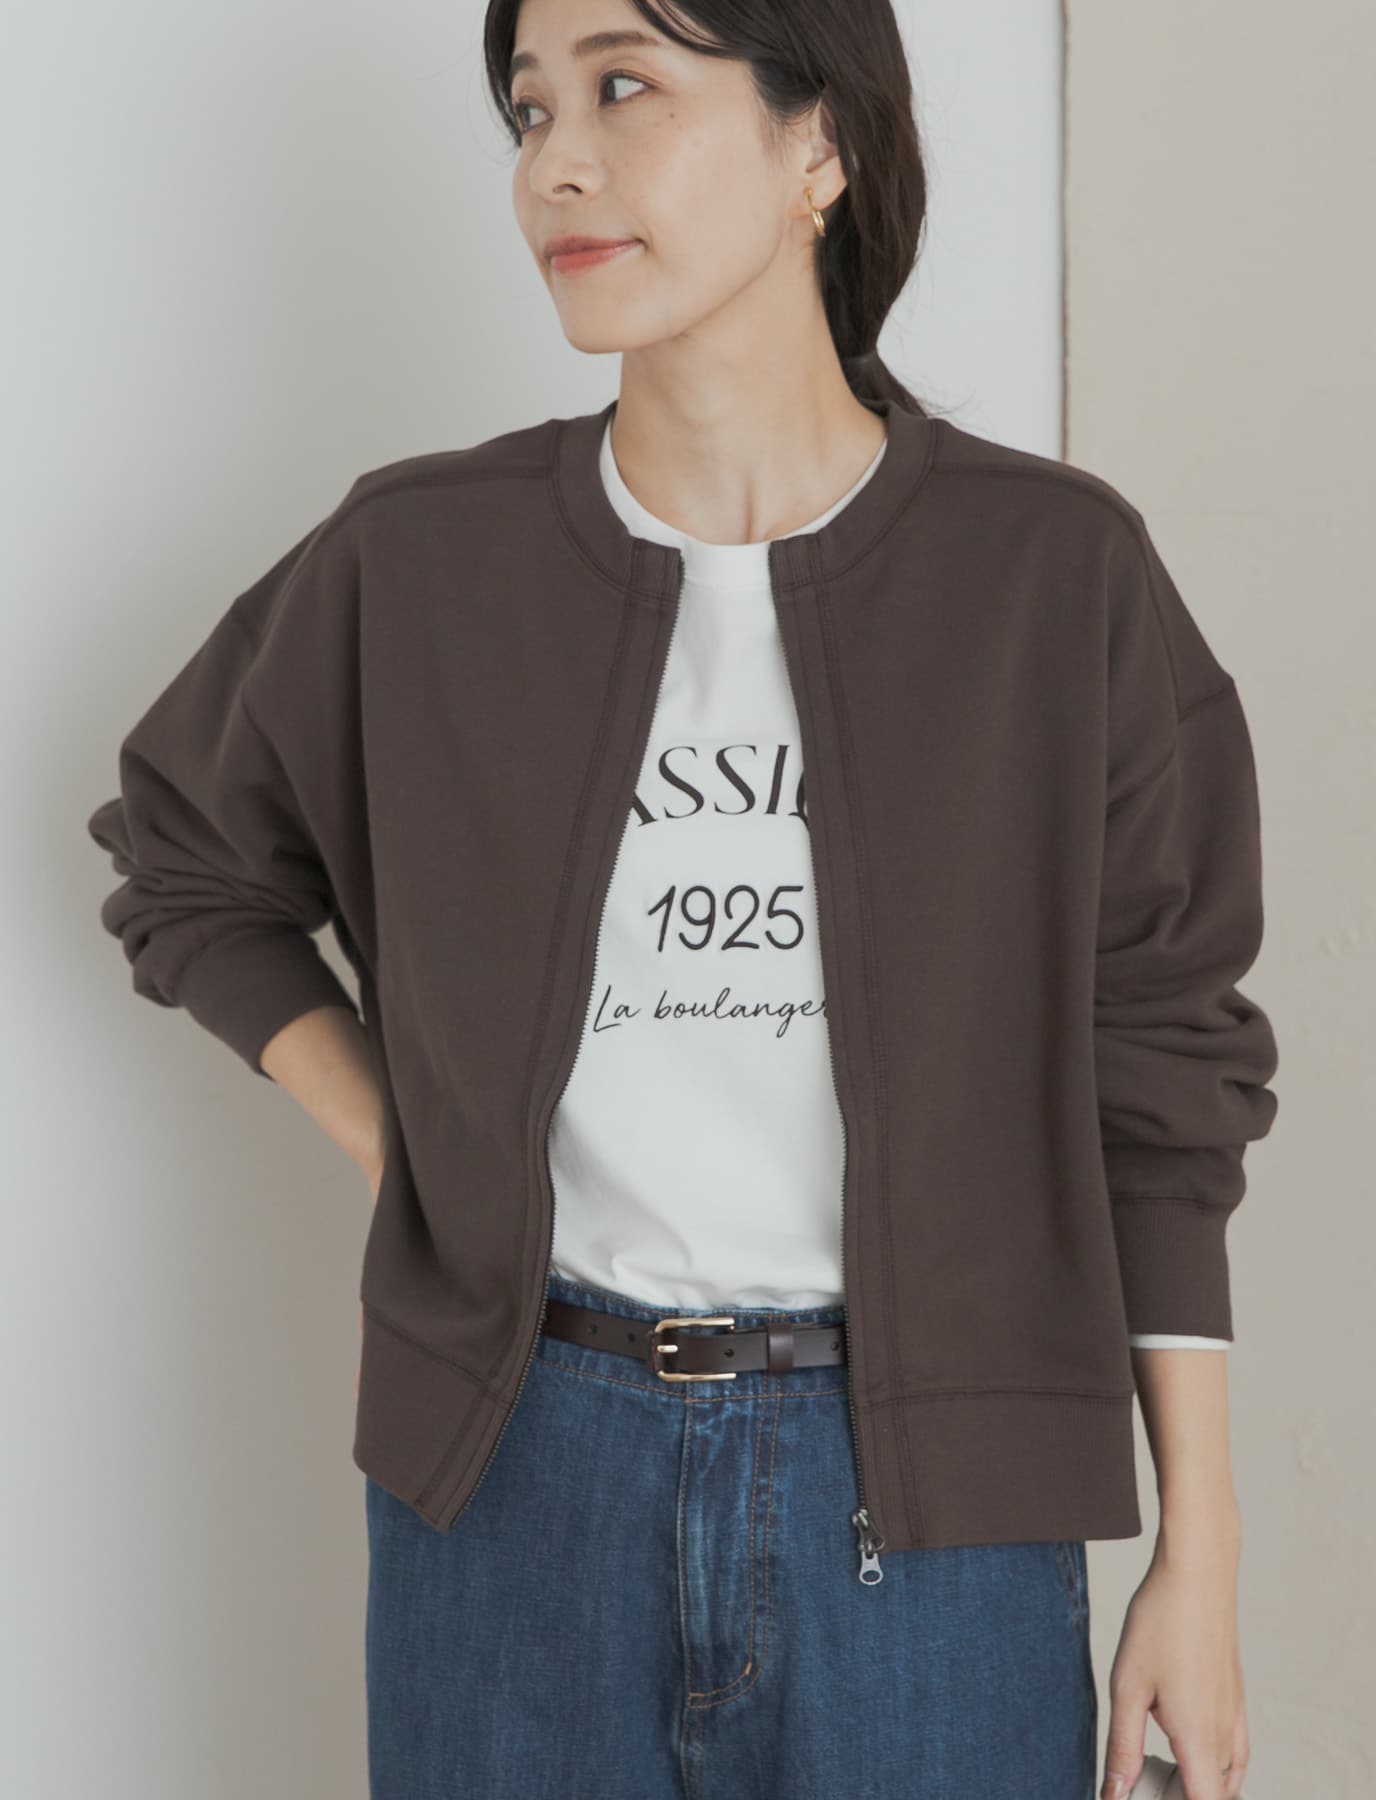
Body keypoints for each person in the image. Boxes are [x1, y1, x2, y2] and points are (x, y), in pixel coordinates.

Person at [86, 1, 1276, 1796]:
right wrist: (421, 1151)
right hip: (517, 1476)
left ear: (822, 147)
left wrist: (1202, 1548)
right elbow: (184, 858)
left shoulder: (1050, 575)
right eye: (529, 108)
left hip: (935, 1511)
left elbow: (1165, 1067)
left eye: (625, 87)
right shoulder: (421, 557)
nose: (555, 162)